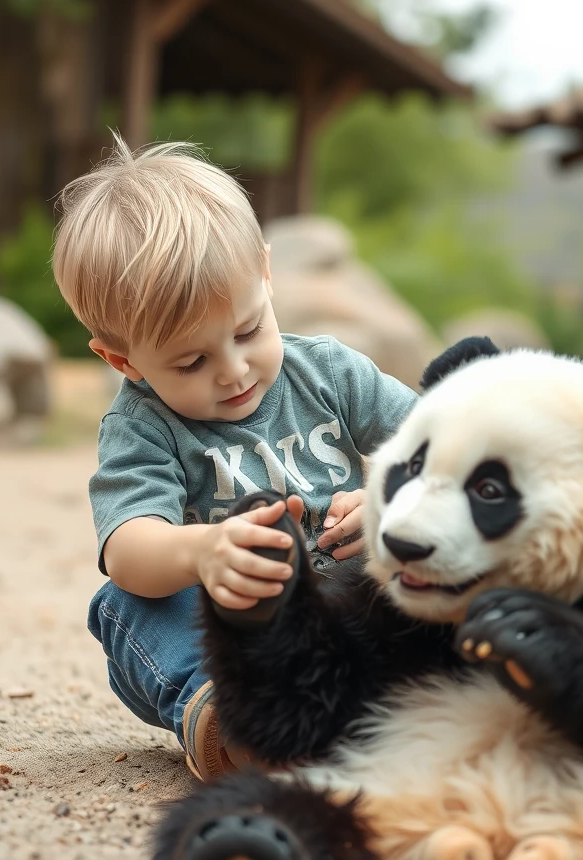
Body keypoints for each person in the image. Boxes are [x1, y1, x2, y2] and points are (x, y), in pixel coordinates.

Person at [52, 138, 418, 781]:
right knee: (123, 602)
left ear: (266, 275)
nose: (234, 369)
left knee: (433, 553)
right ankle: (231, 721)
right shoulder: (143, 426)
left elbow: (437, 441)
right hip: (235, 639)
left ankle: (416, 696)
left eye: (249, 329)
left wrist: (390, 494)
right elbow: (129, 547)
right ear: (123, 360)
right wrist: (203, 552)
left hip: (349, 608)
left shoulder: (328, 371)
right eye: (191, 361)